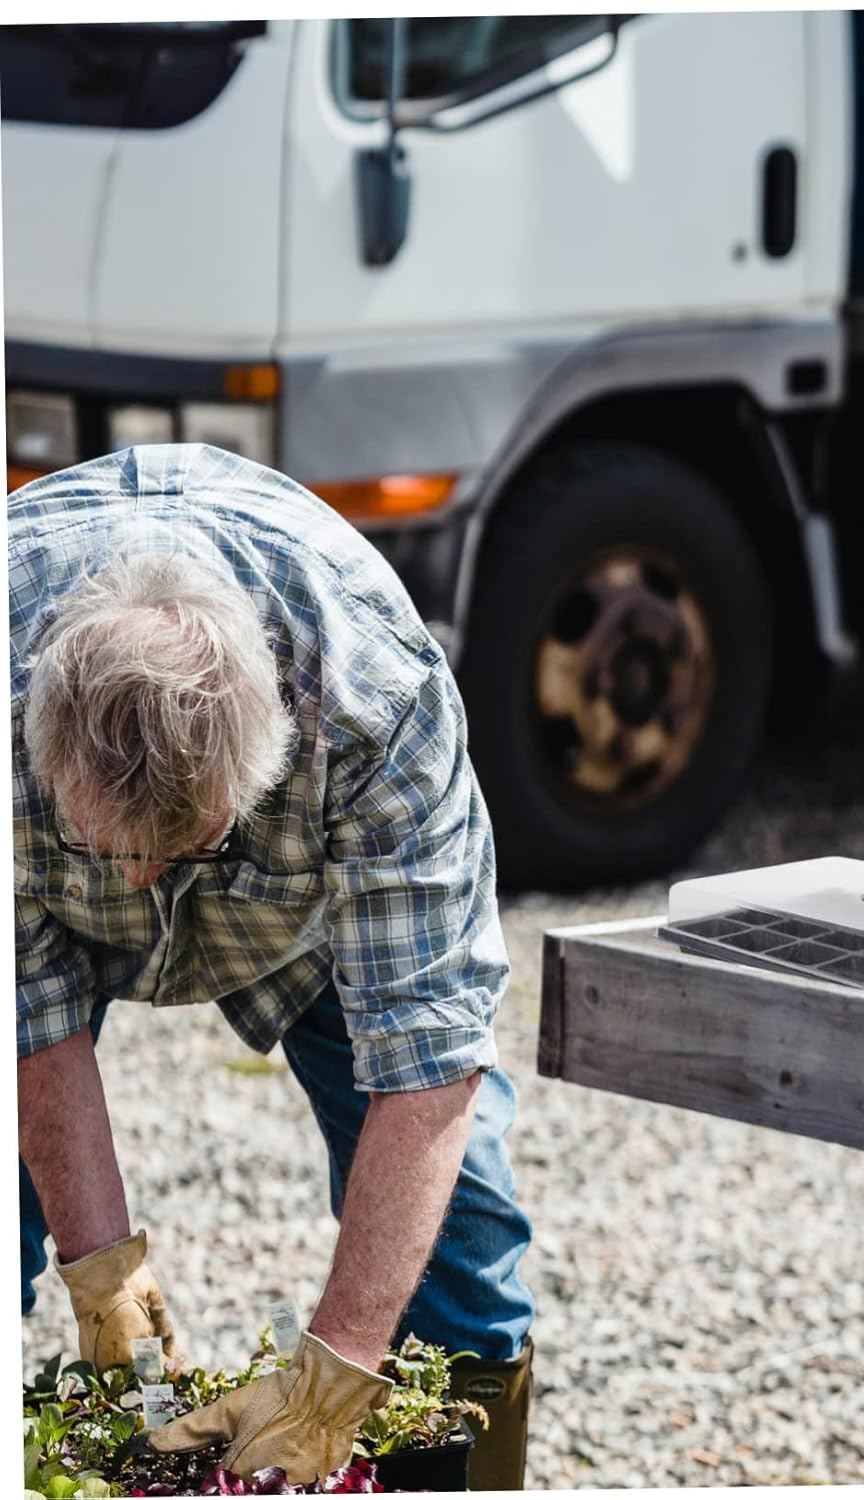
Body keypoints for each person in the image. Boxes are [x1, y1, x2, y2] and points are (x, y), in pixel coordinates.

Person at [13, 443, 535, 1489]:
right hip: (39, 896)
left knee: (465, 1260)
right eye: (109, 849)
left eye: (180, 847)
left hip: (300, 920)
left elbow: (431, 1050)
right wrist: (102, 1268)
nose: (144, 878)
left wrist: (336, 1374)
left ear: (271, 759)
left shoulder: (376, 716)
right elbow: (23, 1006)